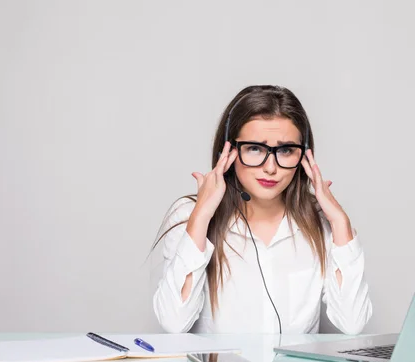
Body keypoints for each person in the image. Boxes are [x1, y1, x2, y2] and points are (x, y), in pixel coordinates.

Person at [151, 85, 372, 334]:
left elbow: (353, 324)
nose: (270, 168)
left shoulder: (322, 224)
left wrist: (340, 223)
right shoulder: (189, 215)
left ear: (304, 156)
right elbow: (173, 322)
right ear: (229, 151)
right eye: (255, 149)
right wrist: (202, 216)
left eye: (286, 150)